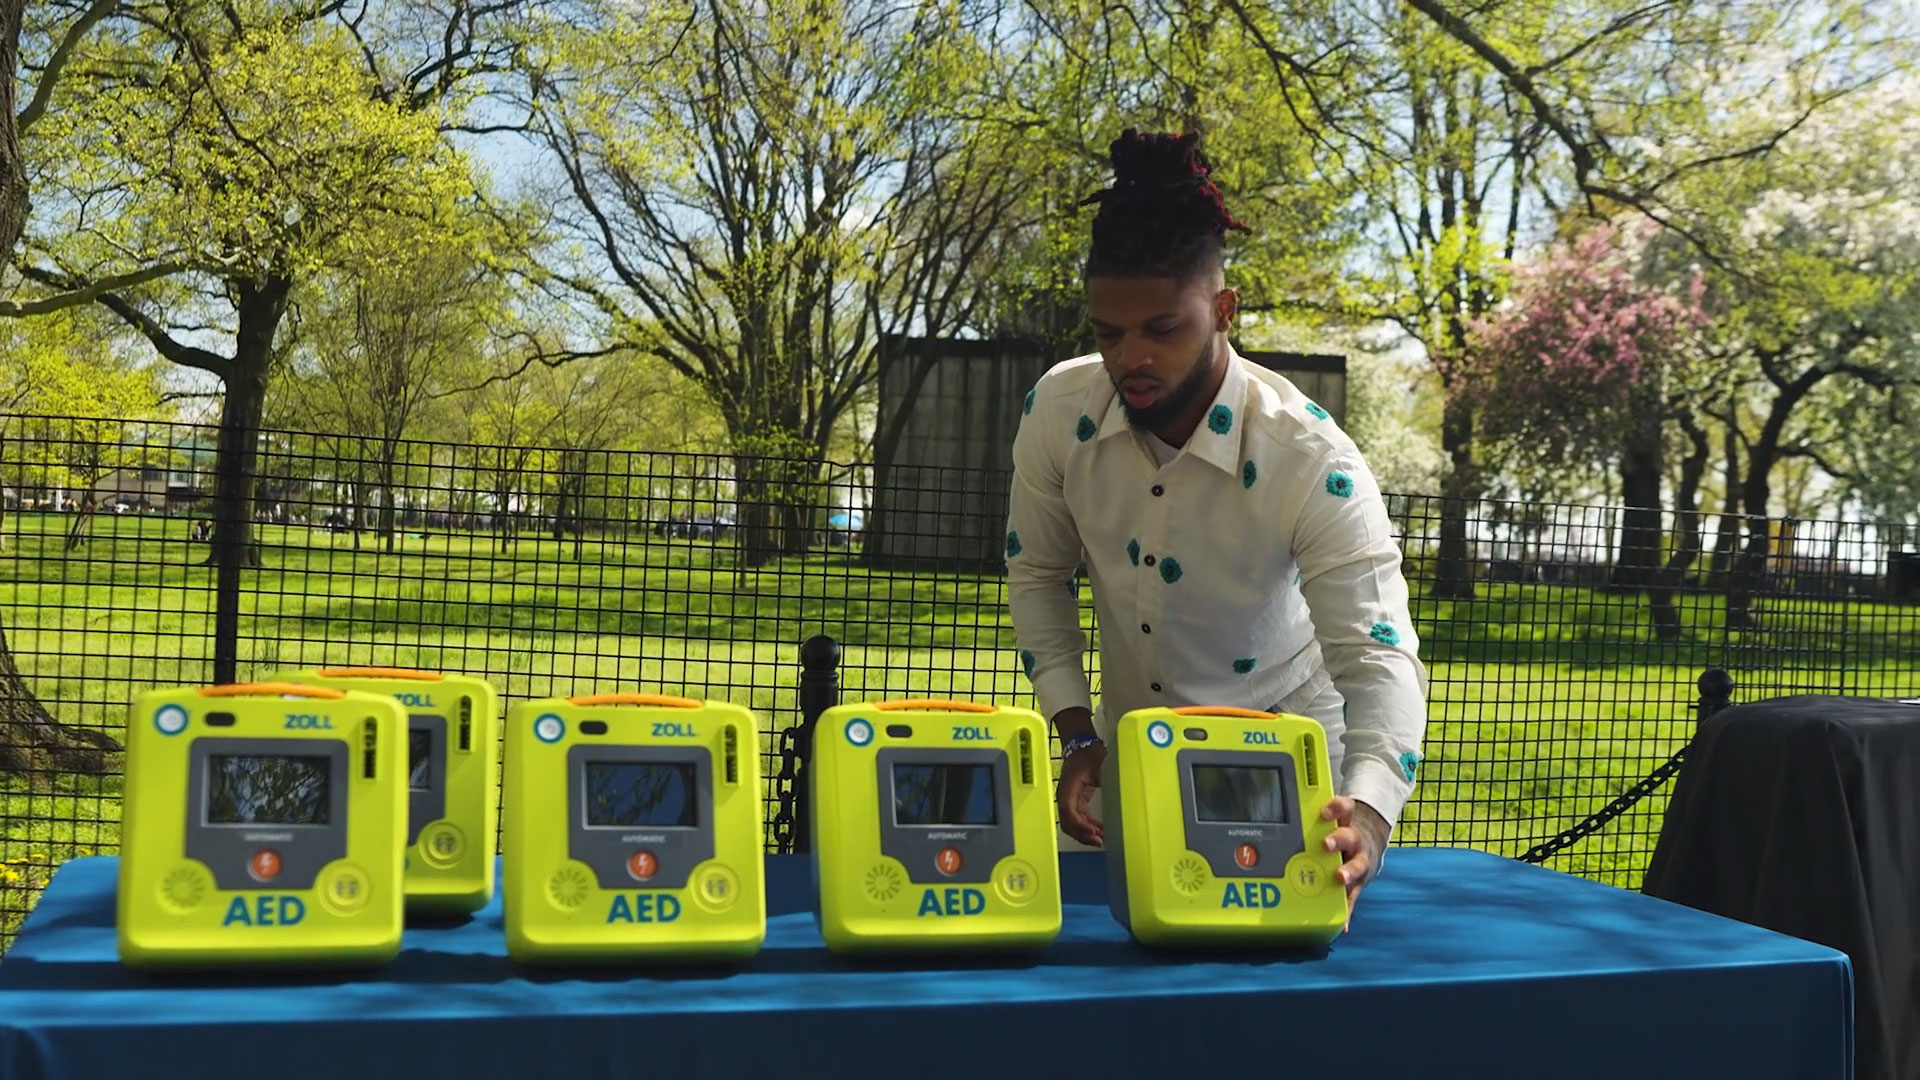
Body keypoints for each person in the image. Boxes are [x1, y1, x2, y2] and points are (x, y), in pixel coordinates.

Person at [1003, 128, 1429, 927]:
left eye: (1162, 329)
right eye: (1106, 332)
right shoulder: (1058, 413)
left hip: (1291, 772)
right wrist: (1074, 733)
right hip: (1129, 764)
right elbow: (1036, 575)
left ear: (1224, 310)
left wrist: (1368, 810)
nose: (1129, 357)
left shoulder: (1310, 459)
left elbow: (1381, 661)